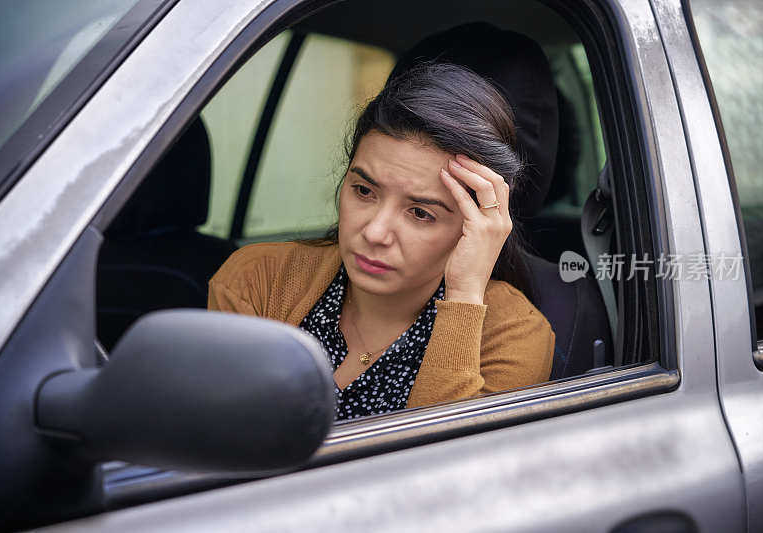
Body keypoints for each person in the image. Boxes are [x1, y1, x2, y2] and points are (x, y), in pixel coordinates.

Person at [208, 62, 555, 421]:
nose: (375, 232)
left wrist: (465, 295)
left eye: (421, 213)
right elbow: (221, 441)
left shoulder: (514, 335)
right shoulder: (259, 279)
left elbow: (448, 464)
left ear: (477, 223)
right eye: (363, 190)